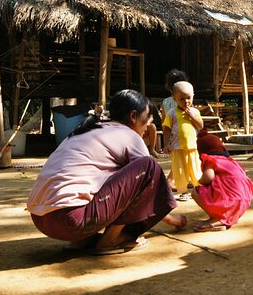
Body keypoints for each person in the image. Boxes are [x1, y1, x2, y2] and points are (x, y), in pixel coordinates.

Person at [27, 89, 187, 255]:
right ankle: (111, 239)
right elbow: (149, 184)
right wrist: (173, 220)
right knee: (148, 166)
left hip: (42, 220)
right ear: (133, 116)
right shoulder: (130, 135)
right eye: (147, 119)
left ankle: (80, 241)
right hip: (71, 220)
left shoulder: (87, 129)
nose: (148, 126)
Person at [191, 130, 253, 232]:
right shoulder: (231, 161)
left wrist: (198, 181)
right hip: (244, 198)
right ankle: (231, 216)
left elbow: (208, 177)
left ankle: (216, 219)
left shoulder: (211, 159)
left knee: (196, 192)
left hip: (229, 199)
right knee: (220, 187)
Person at [162, 80, 204, 202]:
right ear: (174, 98)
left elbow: (200, 126)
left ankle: (199, 189)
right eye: (181, 99)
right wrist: (166, 144)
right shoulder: (172, 113)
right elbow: (166, 128)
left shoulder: (195, 112)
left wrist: (192, 116)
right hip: (177, 147)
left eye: (188, 98)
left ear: (193, 96)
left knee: (195, 168)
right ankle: (183, 191)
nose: (186, 101)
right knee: (179, 170)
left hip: (192, 147)